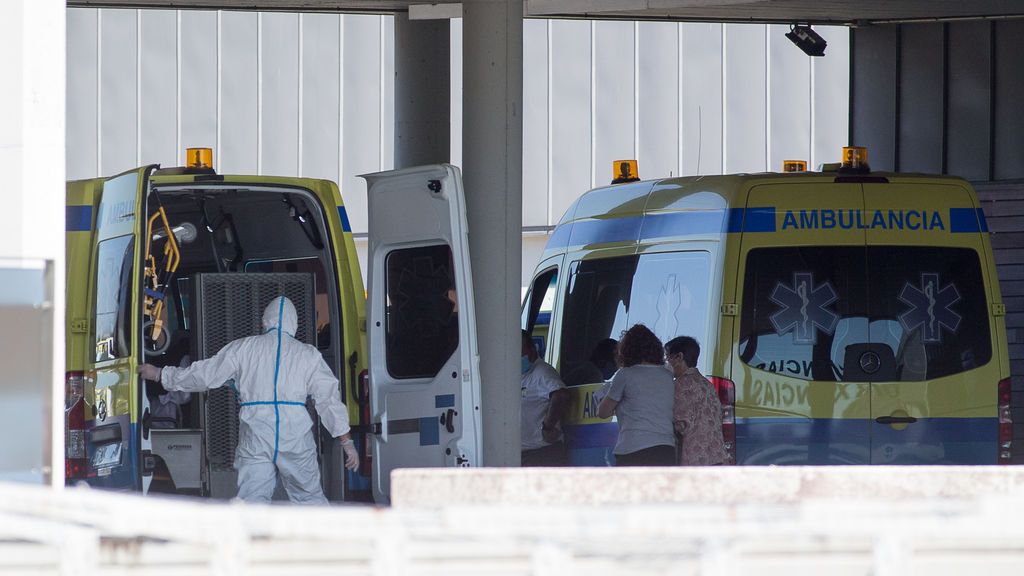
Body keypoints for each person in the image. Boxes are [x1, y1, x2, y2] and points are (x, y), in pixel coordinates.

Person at [137, 296, 359, 504]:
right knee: (310, 499)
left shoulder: (244, 348)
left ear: (265, 321)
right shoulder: (309, 355)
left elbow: (204, 374)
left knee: (251, 502)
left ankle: (247, 543)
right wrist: (346, 442)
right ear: (294, 324)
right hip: (295, 436)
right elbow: (328, 400)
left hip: (256, 434)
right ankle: (324, 543)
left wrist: (159, 374)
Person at [597, 324, 676, 466]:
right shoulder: (668, 376)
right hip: (665, 448)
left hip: (633, 448)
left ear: (627, 351)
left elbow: (603, 412)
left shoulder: (625, 375)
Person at [666, 336, 726, 466]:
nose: (667, 363)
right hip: (717, 455)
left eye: (668, 357)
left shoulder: (681, 384)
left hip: (695, 457)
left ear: (679, 357)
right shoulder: (707, 384)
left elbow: (681, 423)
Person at [521, 330, 570, 466]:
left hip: (541, 454)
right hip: (524, 454)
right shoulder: (518, 374)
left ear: (531, 349)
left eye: (520, 352)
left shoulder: (542, 372)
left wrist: (547, 427)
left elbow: (561, 394)